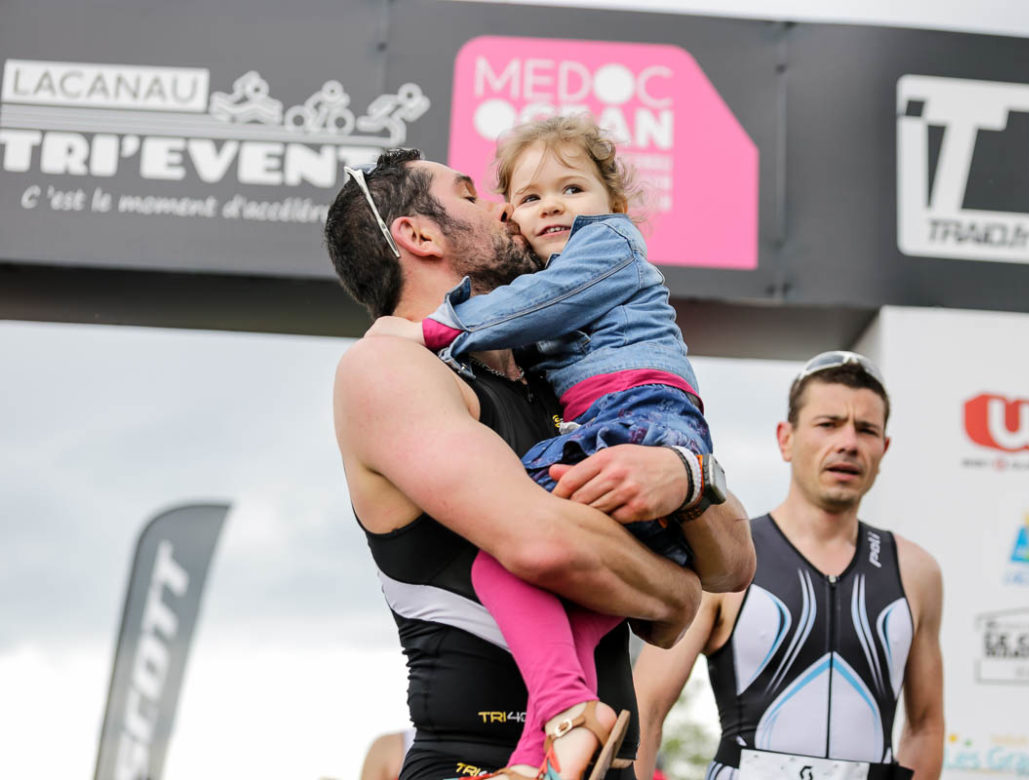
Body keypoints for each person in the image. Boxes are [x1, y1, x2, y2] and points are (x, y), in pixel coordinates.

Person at [325, 147, 753, 780]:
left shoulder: (552, 373)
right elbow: (544, 547)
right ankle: (563, 716)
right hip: (482, 764)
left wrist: (685, 479)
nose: (504, 207)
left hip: (606, 765)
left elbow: (737, 564)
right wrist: (678, 592)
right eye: (472, 196)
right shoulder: (389, 367)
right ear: (418, 234)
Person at [633, 352, 944, 780]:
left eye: (866, 429)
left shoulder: (916, 571)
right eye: (828, 424)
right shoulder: (726, 561)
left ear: (883, 448)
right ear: (786, 439)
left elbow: (926, 726)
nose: (848, 443)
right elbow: (645, 708)